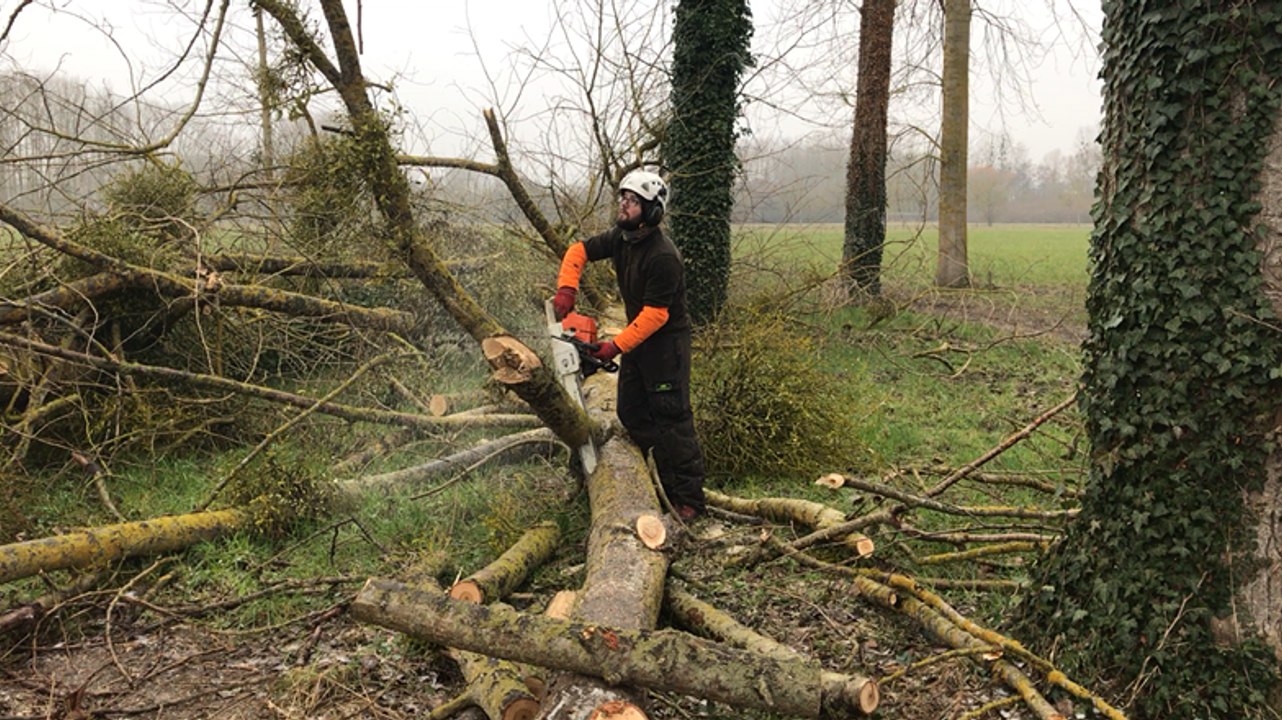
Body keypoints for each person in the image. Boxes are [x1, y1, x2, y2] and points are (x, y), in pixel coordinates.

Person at [552, 169, 706, 520]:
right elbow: (579, 250)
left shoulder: (662, 256)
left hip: (666, 347)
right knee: (631, 411)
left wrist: (612, 348)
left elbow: (656, 316)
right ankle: (654, 472)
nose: (623, 204)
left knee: (673, 418)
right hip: (639, 340)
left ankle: (689, 500)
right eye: (622, 197)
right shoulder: (622, 238)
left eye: (633, 200)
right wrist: (567, 288)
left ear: (651, 212)